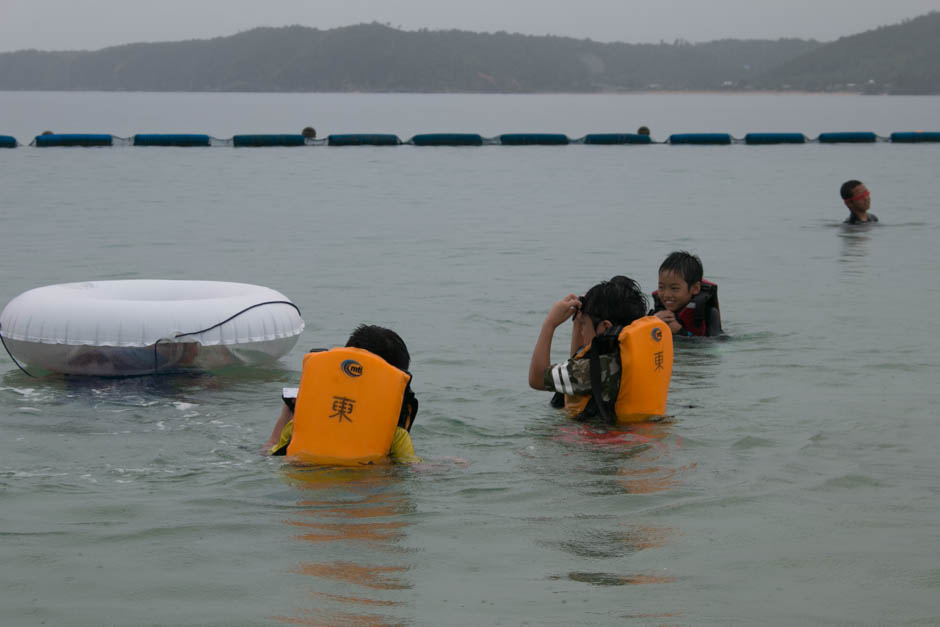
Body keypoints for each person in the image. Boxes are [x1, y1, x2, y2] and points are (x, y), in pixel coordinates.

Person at [264, 324, 420, 463]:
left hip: (303, 489)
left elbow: (269, 454)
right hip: (366, 491)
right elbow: (414, 469)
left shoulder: (301, 421)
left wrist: (288, 413)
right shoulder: (394, 434)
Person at [528, 276, 671, 423]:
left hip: (604, 443)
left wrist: (550, 324)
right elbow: (582, 360)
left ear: (605, 327)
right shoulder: (631, 358)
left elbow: (537, 379)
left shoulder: (598, 370)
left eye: (584, 325)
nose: (582, 331)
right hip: (642, 437)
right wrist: (579, 322)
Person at [651, 251, 722, 337]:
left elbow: (715, 345)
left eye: (674, 288)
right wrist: (652, 322)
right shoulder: (656, 314)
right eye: (661, 287)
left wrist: (680, 332)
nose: (666, 295)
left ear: (695, 288)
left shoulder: (709, 314)